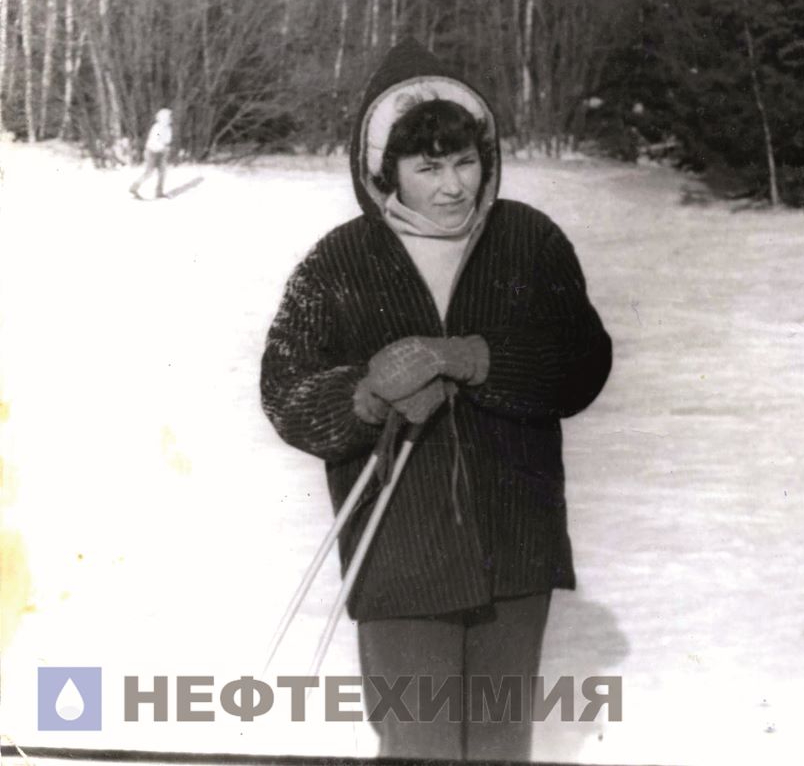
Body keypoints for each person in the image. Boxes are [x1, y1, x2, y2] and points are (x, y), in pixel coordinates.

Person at [260, 39, 612, 761]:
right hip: (401, 553)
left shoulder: (529, 242)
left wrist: (476, 357)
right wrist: (364, 396)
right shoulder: (339, 263)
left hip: (515, 546)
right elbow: (285, 392)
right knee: (417, 746)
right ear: (385, 171)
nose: (453, 185)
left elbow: (582, 364)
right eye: (428, 167)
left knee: (498, 746)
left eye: (465, 161)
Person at [130, 108, 173, 199]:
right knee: (149, 172)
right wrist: (162, 146)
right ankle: (134, 187)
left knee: (162, 172)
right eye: (168, 117)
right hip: (151, 152)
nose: (170, 119)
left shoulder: (168, 129)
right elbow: (154, 140)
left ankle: (159, 192)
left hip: (161, 153)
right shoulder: (157, 128)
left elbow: (168, 140)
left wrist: (166, 147)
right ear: (163, 118)